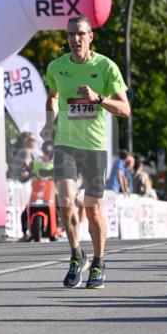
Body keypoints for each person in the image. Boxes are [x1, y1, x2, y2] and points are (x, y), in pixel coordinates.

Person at [41, 14, 130, 289]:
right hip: (65, 144)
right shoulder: (56, 67)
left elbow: (125, 110)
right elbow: (53, 96)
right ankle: (76, 255)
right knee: (65, 202)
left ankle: (99, 262)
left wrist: (99, 98)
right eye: (70, 34)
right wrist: (48, 123)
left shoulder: (106, 67)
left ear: (90, 37)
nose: (75, 39)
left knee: (92, 210)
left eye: (80, 34)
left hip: (93, 147)